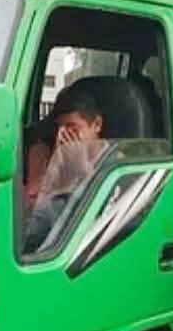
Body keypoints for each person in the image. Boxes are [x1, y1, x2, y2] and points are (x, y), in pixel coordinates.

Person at [22, 87, 111, 251]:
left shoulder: (115, 163)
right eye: (60, 128)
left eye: (72, 128)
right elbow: (34, 225)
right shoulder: (52, 156)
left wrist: (82, 171)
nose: (63, 135)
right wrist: (55, 167)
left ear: (96, 125)